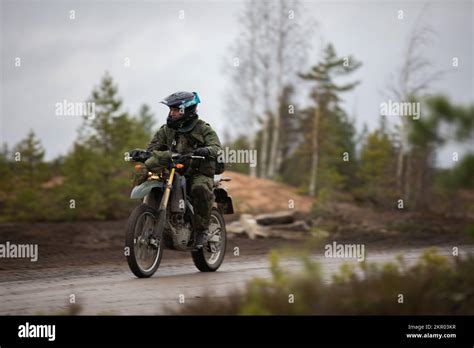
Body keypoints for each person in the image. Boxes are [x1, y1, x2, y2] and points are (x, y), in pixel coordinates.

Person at [143, 91, 222, 248]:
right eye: (171, 109)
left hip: (197, 172)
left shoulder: (203, 129)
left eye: (175, 110)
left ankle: (202, 230)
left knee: (199, 188)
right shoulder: (166, 130)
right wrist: (142, 154)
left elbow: (216, 148)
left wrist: (206, 151)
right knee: (147, 176)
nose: (171, 113)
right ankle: (149, 218)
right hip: (174, 169)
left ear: (187, 110)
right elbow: (152, 148)